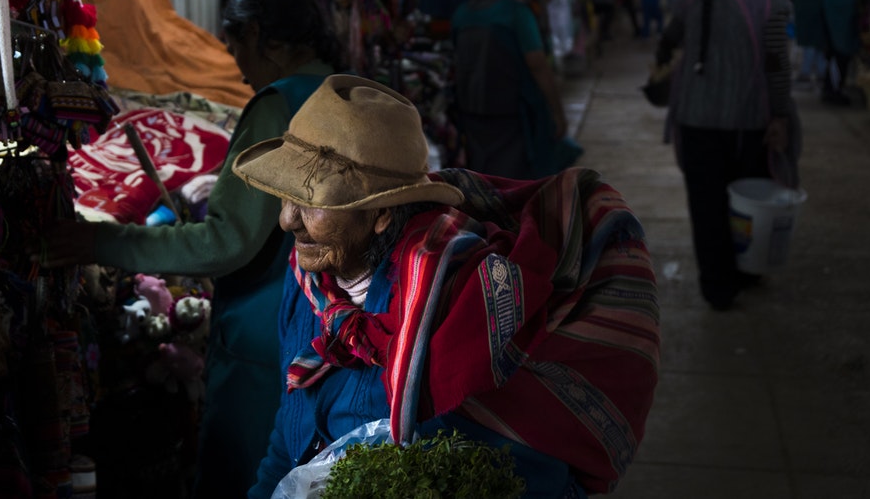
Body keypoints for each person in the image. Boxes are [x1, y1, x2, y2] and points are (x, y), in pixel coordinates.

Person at [232, 74, 660, 499]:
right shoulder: (308, 275)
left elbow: (523, 468)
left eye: (311, 200)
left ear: (379, 213)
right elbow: (291, 428)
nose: (288, 220)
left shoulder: (456, 306)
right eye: (287, 196)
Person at [37, 0, 345, 497]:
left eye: (235, 50)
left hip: (266, 342)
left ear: (257, 36)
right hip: (329, 330)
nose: (239, 71)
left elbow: (226, 242)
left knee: (245, 477)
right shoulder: (339, 90)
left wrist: (101, 242)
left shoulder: (277, 104)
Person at [654, 0, 797, 311]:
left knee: (706, 206)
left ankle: (716, 287)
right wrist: (781, 116)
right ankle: (746, 270)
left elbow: (668, 40)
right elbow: (777, 66)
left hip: (695, 120)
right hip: (749, 121)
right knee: (746, 203)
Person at [450, 0, 581, 179]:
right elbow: (538, 66)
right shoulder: (515, 13)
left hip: (473, 116)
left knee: (485, 182)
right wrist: (557, 113)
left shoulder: (461, 13)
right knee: (517, 185)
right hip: (514, 117)